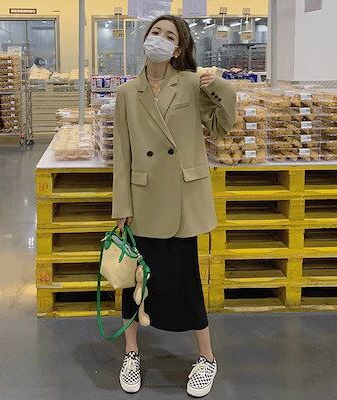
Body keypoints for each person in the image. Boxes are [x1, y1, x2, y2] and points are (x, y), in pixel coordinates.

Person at [111, 15, 236, 397]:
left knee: (186, 282)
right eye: (155, 33)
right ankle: (131, 353)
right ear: (145, 39)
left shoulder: (192, 83)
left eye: (169, 36)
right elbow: (122, 153)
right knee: (134, 281)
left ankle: (207, 357)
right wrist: (122, 205)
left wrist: (220, 85)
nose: (160, 40)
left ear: (178, 48)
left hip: (182, 198)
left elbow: (222, 126)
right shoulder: (127, 92)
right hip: (143, 199)